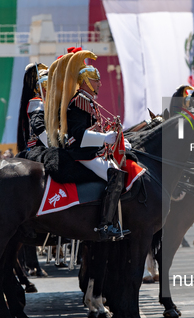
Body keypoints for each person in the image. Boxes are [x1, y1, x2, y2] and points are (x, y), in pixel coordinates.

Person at [57, 51, 130, 241]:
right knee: (116, 177)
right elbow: (79, 136)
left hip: (92, 152)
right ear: (87, 81)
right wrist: (105, 138)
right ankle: (105, 225)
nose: (100, 83)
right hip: (82, 154)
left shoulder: (88, 102)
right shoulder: (80, 102)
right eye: (96, 80)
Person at [17, 62, 48, 152]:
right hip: (39, 147)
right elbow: (38, 127)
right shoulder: (37, 102)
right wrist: (52, 145)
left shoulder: (48, 103)